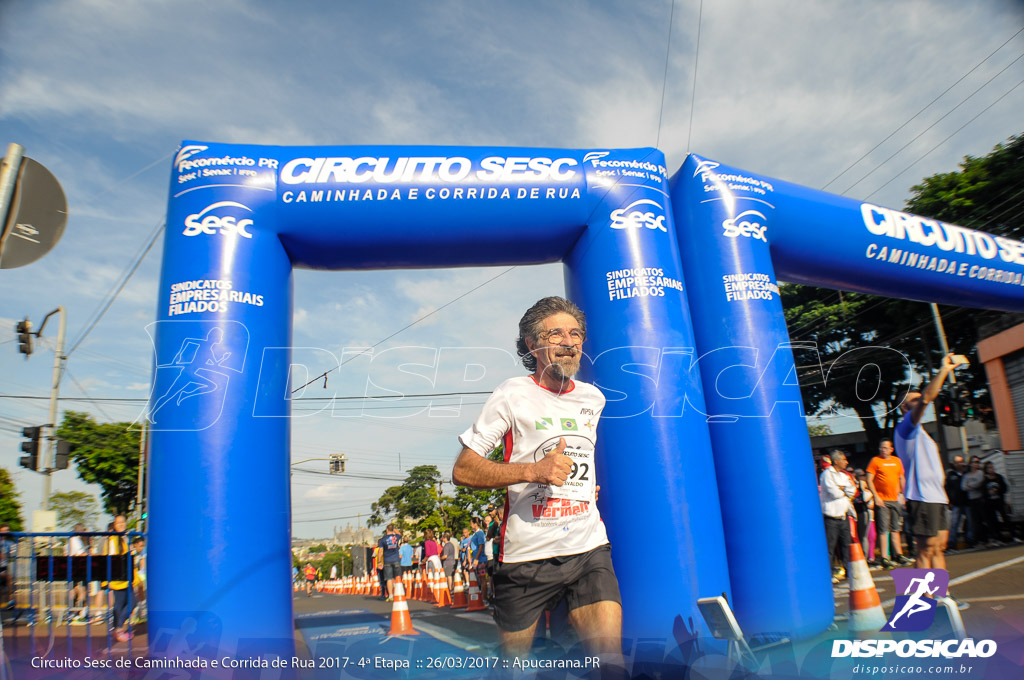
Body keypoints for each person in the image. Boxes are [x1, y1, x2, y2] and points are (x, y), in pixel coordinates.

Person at [453, 296, 622, 671]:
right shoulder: (512, 394)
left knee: (610, 663)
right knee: (516, 667)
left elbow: (576, 459)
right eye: (556, 333)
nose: (569, 341)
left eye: (575, 333)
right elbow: (464, 470)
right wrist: (532, 471)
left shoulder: (593, 399)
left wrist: (580, 489)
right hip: (527, 555)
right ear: (533, 345)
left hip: (587, 546)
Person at [894, 353, 967, 570]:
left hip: (937, 496)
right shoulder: (906, 427)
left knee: (938, 547)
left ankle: (941, 597)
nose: (920, 402)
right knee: (925, 550)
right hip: (921, 496)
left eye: (918, 399)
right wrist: (945, 369)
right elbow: (927, 397)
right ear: (905, 408)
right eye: (914, 401)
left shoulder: (921, 432)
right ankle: (922, 603)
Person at [866, 439, 912, 568]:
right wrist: (876, 496)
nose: (883, 450)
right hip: (882, 500)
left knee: (895, 529)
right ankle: (885, 557)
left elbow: (901, 477)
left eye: (886, 448)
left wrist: (903, 494)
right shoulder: (875, 461)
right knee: (883, 530)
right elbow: (869, 479)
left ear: (891, 449)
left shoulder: (897, 461)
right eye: (881, 448)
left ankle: (899, 554)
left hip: (895, 499)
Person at [820, 450, 856, 583]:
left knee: (847, 545)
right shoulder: (827, 475)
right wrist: (843, 490)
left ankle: (848, 570)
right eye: (844, 459)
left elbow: (852, 490)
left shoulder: (843, 476)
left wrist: (843, 489)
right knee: (830, 547)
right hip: (831, 517)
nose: (846, 462)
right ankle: (829, 574)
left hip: (844, 516)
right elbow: (833, 492)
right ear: (836, 461)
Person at [103, 515, 136, 642]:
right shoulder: (113, 540)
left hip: (125, 577)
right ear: (115, 525)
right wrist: (109, 580)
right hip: (119, 578)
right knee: (130, 602)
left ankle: (115, 628)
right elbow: (112, 559)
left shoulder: (124, 538)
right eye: (119, 523)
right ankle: (118, 628)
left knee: (121, 604)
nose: (121, 524)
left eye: (123, 522)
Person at [982, 461, 1009, 547]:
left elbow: (1005, 488)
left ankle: (1012, 535)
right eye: (989, 468)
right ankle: (997, 537)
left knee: (1005, 517)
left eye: (992, 467)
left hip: (999, 500)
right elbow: (982, 492)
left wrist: (997, 490)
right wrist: (988, 493)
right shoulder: (985, 479)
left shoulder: (998, 477)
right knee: (993, 520)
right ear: (986, 469)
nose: (991, 469)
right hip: (990, 503)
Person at [945, 455, 968, 551]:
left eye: (961, 462)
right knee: (954, 524)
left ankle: (970, 540)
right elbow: (947, 489)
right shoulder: (951, 475)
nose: (960, 464)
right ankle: (951, 543)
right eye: (957, 462)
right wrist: (949, 501)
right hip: (956, 503)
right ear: (954, 464)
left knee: (970, 522)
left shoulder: (966, 473)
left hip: (967, 502)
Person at [961, 456, 985, 546]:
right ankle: (978, 540)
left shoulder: (980, 473)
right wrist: (971, 486)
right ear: (970, 463)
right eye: (975, 462)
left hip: (980, 499)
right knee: (975, 521)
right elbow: (963, 487)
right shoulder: (966, 475)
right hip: (972, 500)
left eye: (978, 462)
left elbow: (979, 483)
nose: (976, 463)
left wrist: (970, 485)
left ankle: (985, 539)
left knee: (984, 519)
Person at [377, 524, 401, 601]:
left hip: (387, 560)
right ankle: (398, 593)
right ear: (392, 529)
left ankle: (390, 595)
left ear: (387, 530)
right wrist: (394, 529)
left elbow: (380, 551)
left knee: (389, 579)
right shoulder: (396, 537)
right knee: (397, 577)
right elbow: (399, 534)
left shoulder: (383, 539)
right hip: (396, 559)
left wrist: (379, 561)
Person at [468, 517, 488, 603]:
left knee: (483, 579)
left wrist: (476, 558)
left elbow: (481, 545)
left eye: (471, 523)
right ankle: (482, 597)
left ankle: (484, 598)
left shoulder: (479, 533)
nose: (470, 525)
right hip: (476, 558)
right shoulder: (475, 534)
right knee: (480, 578)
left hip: (480, 559)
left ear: (475, 523)